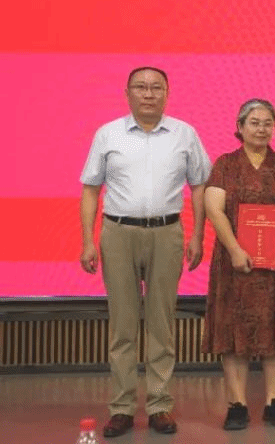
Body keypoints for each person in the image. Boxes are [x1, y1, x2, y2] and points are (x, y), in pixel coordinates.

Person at [79, 66, 211, 438]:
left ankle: (159, 405)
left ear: (167, 93)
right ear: (127, 93)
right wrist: (88, 240)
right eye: (141, 87)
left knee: (161, 324)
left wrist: (198, 235)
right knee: (122, 326)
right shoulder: (108, 134)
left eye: (156, 87)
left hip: (167, 233)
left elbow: (200, 186)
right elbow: (91, 188)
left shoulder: (185, 134)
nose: (148, 93)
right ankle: (121, 408)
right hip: (118, 233)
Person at [202, 99, 275, 430]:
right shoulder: (226, 164)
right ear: (240, 126)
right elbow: (214, 208)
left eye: (267, 123)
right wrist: (234, 248)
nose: (261, 128)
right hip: (234, 264)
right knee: (234, 333)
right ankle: (237, 404)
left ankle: (274, 402)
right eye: (254, 122)